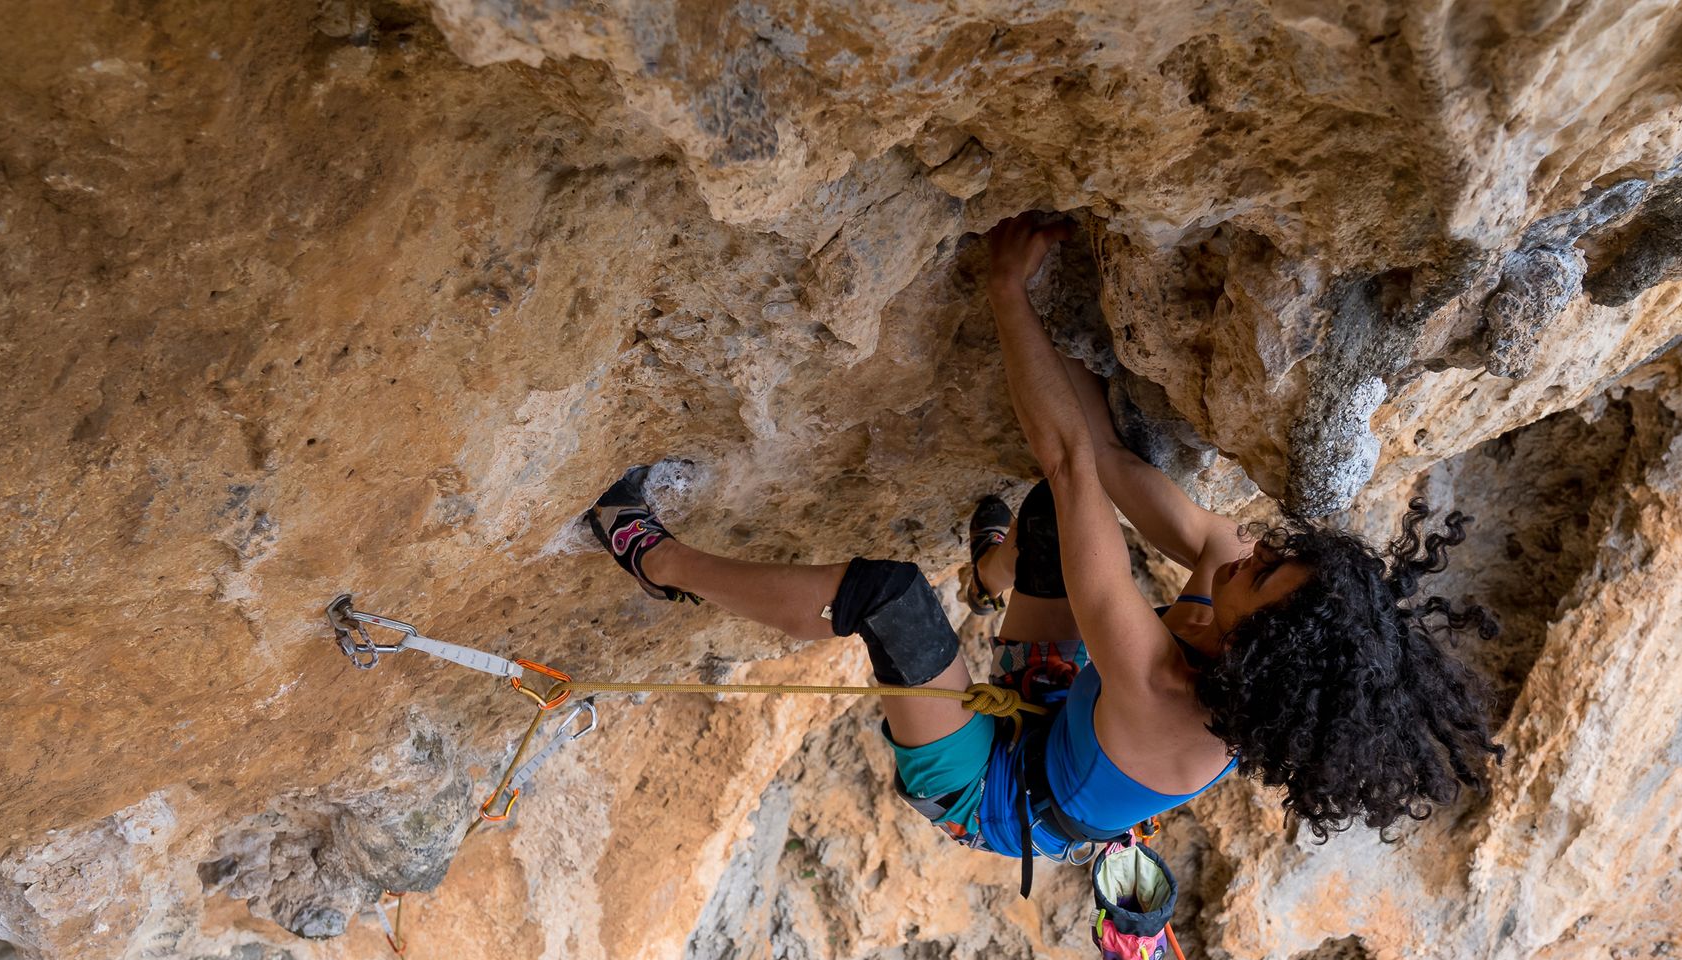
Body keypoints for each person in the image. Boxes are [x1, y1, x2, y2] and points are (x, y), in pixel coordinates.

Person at [587, 214, 1502, 892]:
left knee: (891, 598)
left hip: (993, 790)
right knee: (1050, 529)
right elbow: (1101, 459)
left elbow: (1069, 460)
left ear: (1245, 651)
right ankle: (989, 578)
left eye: (1258, 576)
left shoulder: (1165, 694)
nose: (1248, 550)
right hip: (1062, 705)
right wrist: (1065, 328)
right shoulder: (1226, 608)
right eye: (1274, 555)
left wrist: (1006, 292)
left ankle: (655, 561)